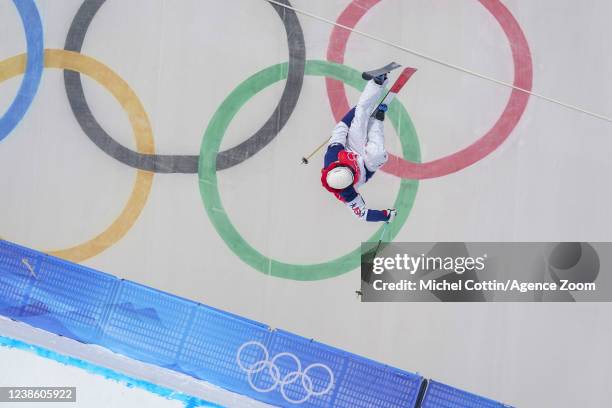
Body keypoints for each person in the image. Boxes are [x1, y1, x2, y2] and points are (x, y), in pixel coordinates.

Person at [321, 73, 397, 223]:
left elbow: (341, 128)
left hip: (352, 149)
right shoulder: (347, 193)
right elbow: (362, 214)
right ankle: (377, 121)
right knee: (377, 154)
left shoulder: (332, 156)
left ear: (338, 165)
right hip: (365, 168)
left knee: (361, 115)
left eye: (348, 169)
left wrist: (358, 111)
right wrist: (386, 215)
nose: (350, 170)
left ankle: (377, 83)